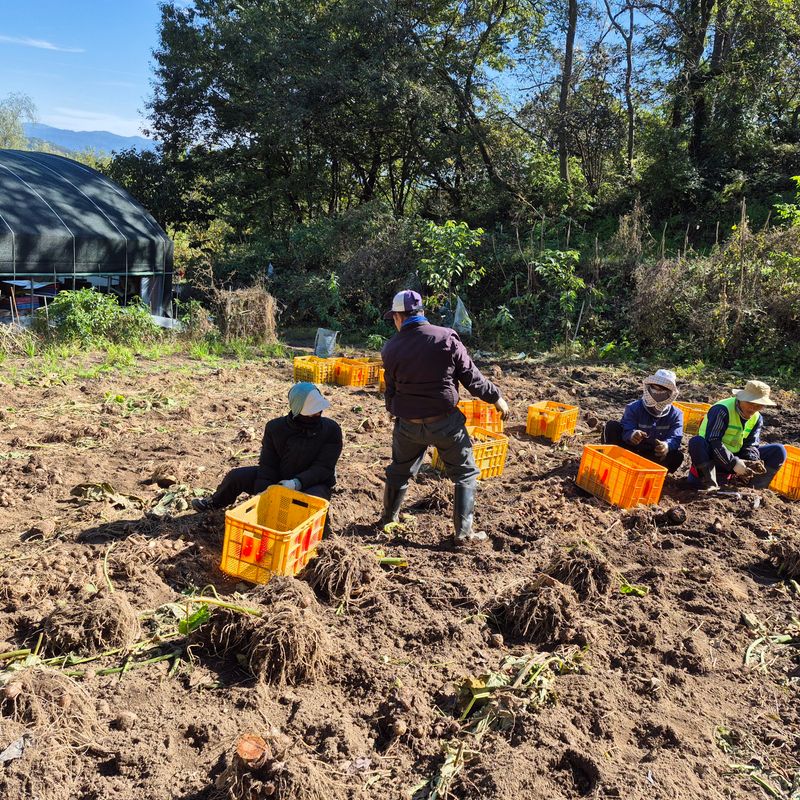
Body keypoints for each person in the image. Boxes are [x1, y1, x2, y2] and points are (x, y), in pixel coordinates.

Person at [380, 289, 509, 544]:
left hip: (408, 425)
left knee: (399, 471)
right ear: (421, 313)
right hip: (445, 423)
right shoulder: (446, 338)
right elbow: (472, 378)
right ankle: (464, 533)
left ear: (398, 317)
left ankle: (388, 519)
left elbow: (390, 390)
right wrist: (496, 398)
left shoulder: (391, 348)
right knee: (465, 474)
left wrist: (396, 412)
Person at [192, 383, 343, 521]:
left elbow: (323, 468)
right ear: (297, 410)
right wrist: (263, 494)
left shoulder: (331, 430)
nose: (317, 415)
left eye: (319, 411)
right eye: (312, 413)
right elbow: (268, 463)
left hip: (313, 483)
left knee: (310, 501)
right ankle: (214, 502)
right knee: (236, 476)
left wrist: (297, 483)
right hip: (281, 478)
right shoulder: (275, 428)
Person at [688, 379, 787, 491]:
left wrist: (751, 462)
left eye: (759, 405)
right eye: (750, 402)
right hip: (713, 458)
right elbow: (713, 441)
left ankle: (753, 488)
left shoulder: (757, 417)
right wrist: (733, 463)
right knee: (697, 442)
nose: (753, 408)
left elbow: (751, 445)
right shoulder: (722, 410)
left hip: (736, 459)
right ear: (741, 398)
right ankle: (709, 484)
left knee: (778, 450)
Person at [601, 369, 685, 473]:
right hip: (630, 450)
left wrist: (666, 446)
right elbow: (626, 427)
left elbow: (675, 438)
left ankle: (653, 473)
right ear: (649, 388)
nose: (657, 391)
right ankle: (612, 462)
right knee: (611, 427)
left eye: (662, 389)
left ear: (670, 393)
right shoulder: (633, 407)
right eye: (654, 387)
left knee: (677, 456)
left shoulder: (676, 414)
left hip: (653, 456)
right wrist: (632, 435)